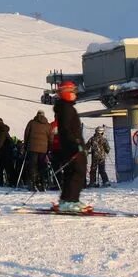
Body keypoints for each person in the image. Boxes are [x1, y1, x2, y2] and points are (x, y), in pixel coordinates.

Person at [54, 81, 88, 212]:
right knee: (77, 172)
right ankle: (70, 201)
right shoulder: (67, 108)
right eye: (72, 91)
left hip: (70, 145)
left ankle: (67, 199)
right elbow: (66, 129)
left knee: (71, 173)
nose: (75, 94)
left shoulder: (65, 107)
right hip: (72, 146)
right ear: (66, 92)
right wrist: (76, 145)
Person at [23, 110, 53, 191]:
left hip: (32, 147)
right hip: (43, 149)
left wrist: (25, 145)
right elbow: (51, 138)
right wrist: (49, 148)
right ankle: (42, 183)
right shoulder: (47, 125)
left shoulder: (31, 123)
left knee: (33, 165)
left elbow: (26, 134)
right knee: (42, 166)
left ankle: (33, 182)